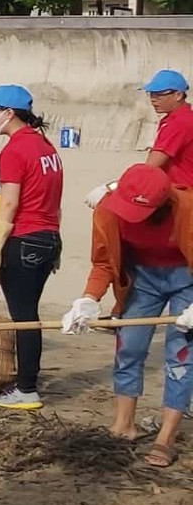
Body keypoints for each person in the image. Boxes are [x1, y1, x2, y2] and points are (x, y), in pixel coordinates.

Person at [63, 163, 193, 469]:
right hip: (143, 280)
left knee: (181, 355)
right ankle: (124, 425)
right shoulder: (109, 210)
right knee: (128, 348)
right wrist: (88, 299)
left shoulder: (187, 209)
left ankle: (166, 438)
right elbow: (104, 262)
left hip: (187, 280)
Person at [0, 84, 64, 411]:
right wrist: (56, 241)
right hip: (48, 237)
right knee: (29, 313)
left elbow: (9, 204)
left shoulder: (14, 150)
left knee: (23, 317)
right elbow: (55, 198)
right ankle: (25, 381)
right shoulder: (46, 146)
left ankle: (26, 387)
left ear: (9, 113)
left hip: (24, 239)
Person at [142, 70, 193, 186]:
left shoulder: (179, 123)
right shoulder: (185, 118)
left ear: (178, 95)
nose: (153, 99)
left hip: (182, 192)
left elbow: (151, 166)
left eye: (159, 94)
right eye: (151, 94)